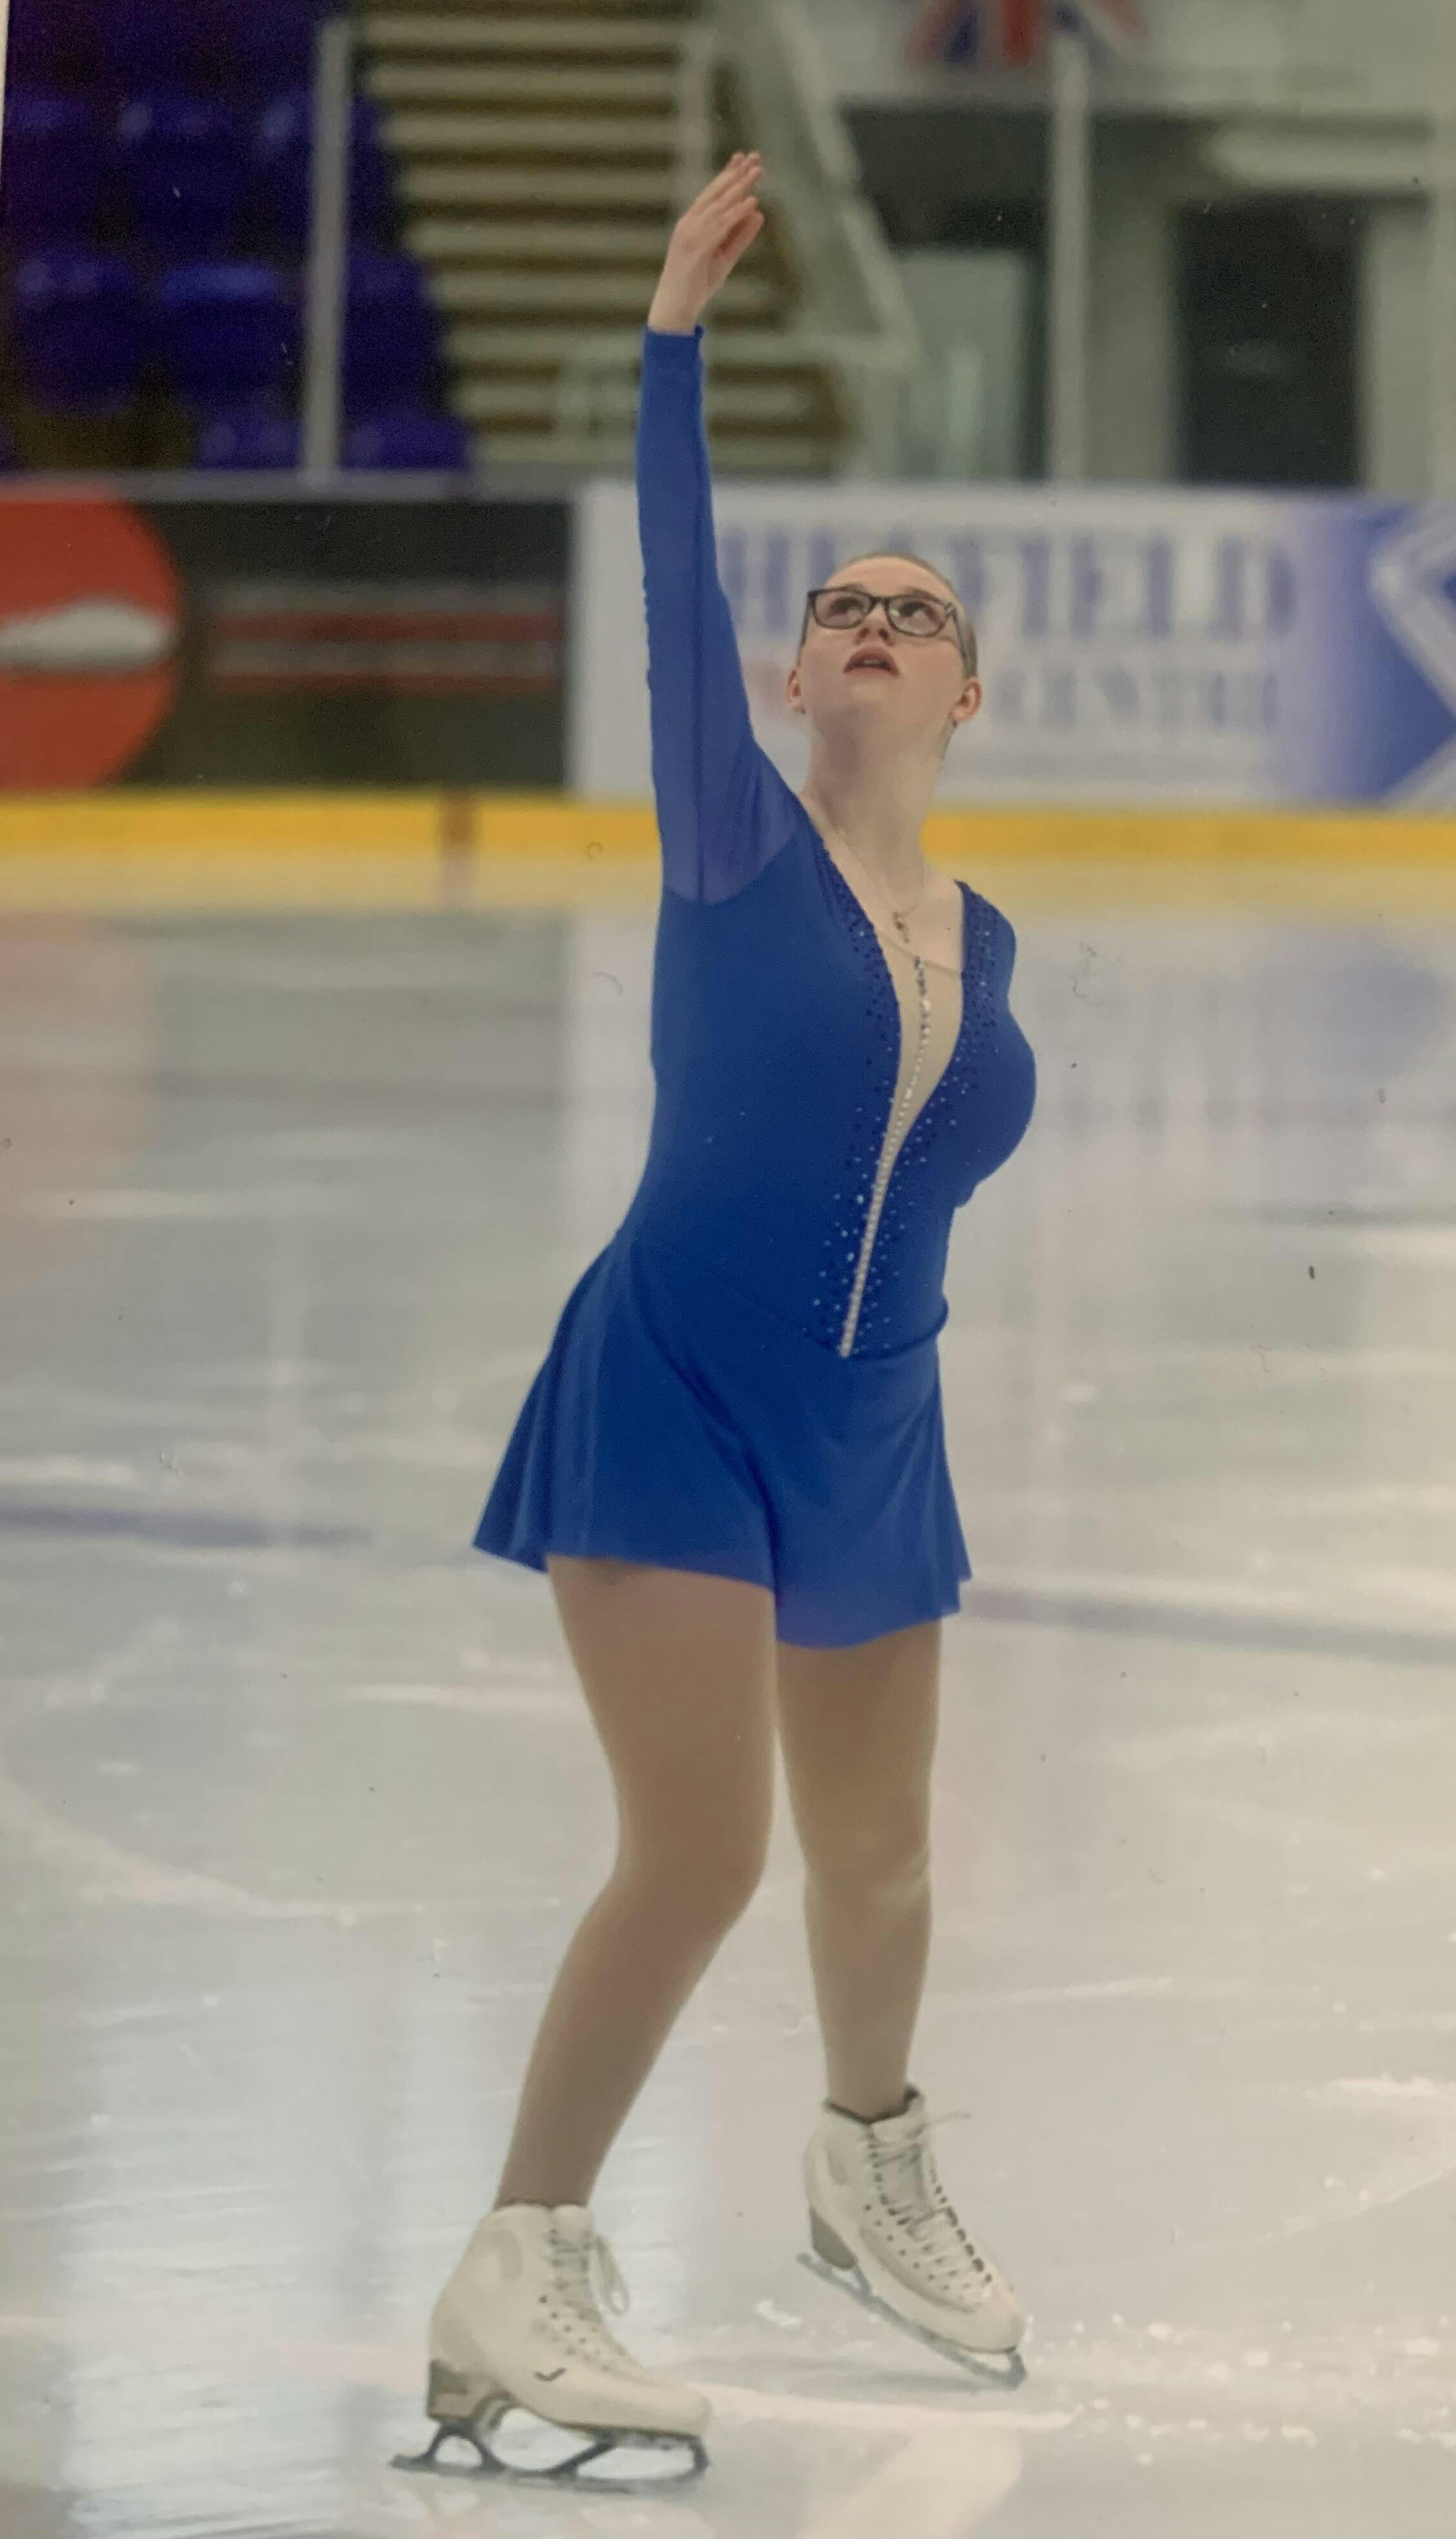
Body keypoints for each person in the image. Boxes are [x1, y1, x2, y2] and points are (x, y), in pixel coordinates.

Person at [401, 154, 1038, 2489]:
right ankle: (516, 2262)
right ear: (792, 676)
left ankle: (867, 2173)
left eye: (913, 612)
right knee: (699, 1853)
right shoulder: (733, 837)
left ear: (967, 686)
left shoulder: (990, 943)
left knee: (884, 1865)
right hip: (673, 1388)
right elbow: (674, 581)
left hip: (875, 1423)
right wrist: (672, 333)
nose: (870, 623)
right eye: (839, 607)